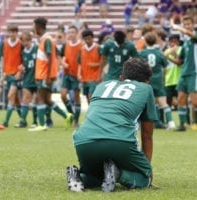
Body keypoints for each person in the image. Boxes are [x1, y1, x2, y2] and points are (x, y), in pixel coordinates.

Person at [66, 58, 156, 193]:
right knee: (144, 178)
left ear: (121, 77)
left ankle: (79, 176)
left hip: (83, 141)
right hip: (119, 141)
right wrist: (146, 170)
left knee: (95, 176)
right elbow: (147, 134)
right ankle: (118, 173)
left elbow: (93, 116)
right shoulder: (146, 88)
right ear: (146, 81)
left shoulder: (102, 85)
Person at [28, 17, 73, 132]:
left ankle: (42, 124)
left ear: (38, 26)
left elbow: (49, 59)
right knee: (47, 100)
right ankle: (66, 115)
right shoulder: (46, 39)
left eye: (34, 26)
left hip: (44, 75)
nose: (33, 28)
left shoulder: (47, 40)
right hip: (45, 74)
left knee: (40, 98)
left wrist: (48, 76)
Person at [138, 32, 176, 130]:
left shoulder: (142, 53)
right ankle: (171, 123)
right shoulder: (159, 53)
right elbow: (167, 67)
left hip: (146, 81)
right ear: (155, 41)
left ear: (145, 41)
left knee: (144, 104)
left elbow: (138, 67)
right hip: (158, 81)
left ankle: (139, 124)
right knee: (163, 103)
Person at [170, 15, 197, 131]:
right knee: (180, 98)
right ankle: (182, 124)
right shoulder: (185, 42)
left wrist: (176, 27)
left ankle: (195, 123)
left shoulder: (194, 36)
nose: (187, 26)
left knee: (195, 101)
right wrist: (168, 56)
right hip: (184, 73)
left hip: (194, 73)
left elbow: (190, 34)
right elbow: (179, 62)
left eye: (188, 24)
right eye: (185, 24)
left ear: (193, 24)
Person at [0, 24, 23, 127]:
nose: (12, 34)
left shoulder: (20, 44)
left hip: (16, 74)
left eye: (14, 32)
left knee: (10, 96)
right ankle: (23, 120)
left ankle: (6, 121)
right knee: (16, 98)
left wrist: (20, 71)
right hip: (7, 74)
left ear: (16, 33)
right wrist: (3, 73)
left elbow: (23, 59)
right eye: (10, 32)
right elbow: (3, 59)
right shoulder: (4, 44)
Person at [14, 31, 38, 128]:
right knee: (25, 99)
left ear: (30, 40)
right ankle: (23, 121)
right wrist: (21, 69)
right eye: (23, 42)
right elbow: (25, 64)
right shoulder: (23, 52)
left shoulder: (36, 49)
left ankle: (35, 121)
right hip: (27, 79)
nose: (25, 44)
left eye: (26, 41)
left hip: (36, 78)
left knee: (36, 100)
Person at [60, 25, 82, 126]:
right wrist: (63, 62)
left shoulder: (81, 45)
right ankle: (72, 114)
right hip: (66, 73)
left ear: (77, 33)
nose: (71, 34)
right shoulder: (66, 45)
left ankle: (76, 120)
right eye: (69, 32)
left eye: (73, 32)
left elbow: (82, 60)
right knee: (63, 95)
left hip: (76, 75)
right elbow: (61, 57)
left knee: (77, 96)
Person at [79, 29, 101, 103]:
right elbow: (80, 63)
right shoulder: (82, 49)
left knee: (90, 96)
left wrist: (96, 64)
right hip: (85, 77)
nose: (87, 40)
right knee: (87, 97)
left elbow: (104, 61)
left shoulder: (98, 48)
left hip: (94, 77)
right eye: (85, 39)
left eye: (89, 38)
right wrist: (79, 73)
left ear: (92, 38)